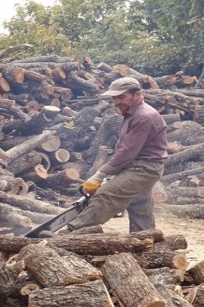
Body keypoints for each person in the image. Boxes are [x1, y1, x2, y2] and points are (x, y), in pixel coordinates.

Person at [61, 77, 168, 233]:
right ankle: (145, 239)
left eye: (121, 97)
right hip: (137, 166)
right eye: (114, 98)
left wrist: (100, 174)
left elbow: (127, 151)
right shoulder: (131, 113)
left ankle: (71, 233)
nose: (117, 101)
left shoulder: (144, 116)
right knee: (139, 206)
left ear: (136, 94)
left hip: (144, 168)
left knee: (105, 196)